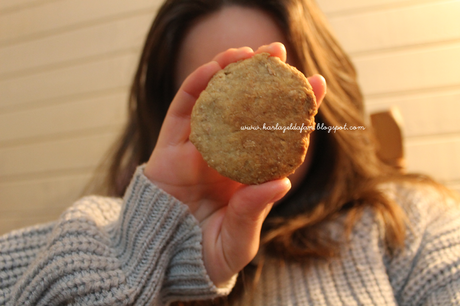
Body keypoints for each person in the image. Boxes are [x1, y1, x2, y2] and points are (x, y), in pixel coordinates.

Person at [1, 0, 459, 305]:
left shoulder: (406, 223)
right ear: (177, 120)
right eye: (214, 99)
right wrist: (141, 247)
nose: (253, 123)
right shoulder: (105, 232)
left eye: (275, 72)